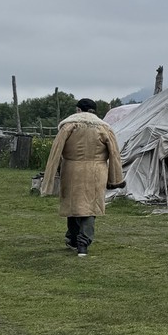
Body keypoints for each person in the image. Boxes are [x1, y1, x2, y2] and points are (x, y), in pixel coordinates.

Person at [41, 99, 124, 256]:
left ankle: (73, 239)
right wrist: (115, 178)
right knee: (90, 207)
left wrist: (52, 173)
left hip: (72, 169)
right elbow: (114, 154)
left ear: (79, 110)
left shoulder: (69, 126)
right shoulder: (104, 128)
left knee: (73, 205)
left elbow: (56, 151)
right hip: (96, 171)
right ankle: (83, 243)